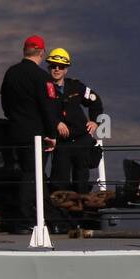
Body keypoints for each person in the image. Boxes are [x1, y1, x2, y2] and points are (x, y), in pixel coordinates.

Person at [0, 34, 62, 231]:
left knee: (32, 173)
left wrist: (15, 120)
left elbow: (5, 102)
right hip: (36, 135)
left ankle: (49, 216)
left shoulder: (11, 74)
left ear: (24, 50)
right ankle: (25, 219)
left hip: (15, 130)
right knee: (31, 174)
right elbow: (48, 107)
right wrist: (51, 134)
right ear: (42, 52)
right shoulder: (42, 78)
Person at [46, 47, 105, 195]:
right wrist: (55, 124)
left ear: (66, 69)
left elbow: (95, 101)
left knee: (81, 182)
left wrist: (95, 121)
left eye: (61, 67)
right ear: (49, 68)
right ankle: (59, 214)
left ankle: (81, 214)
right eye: (53, 66)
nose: (57, 69)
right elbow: (41, 112)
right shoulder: (43, 88)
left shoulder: (76, 86)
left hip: (81, 140)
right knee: (59, 183)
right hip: (61, 143)